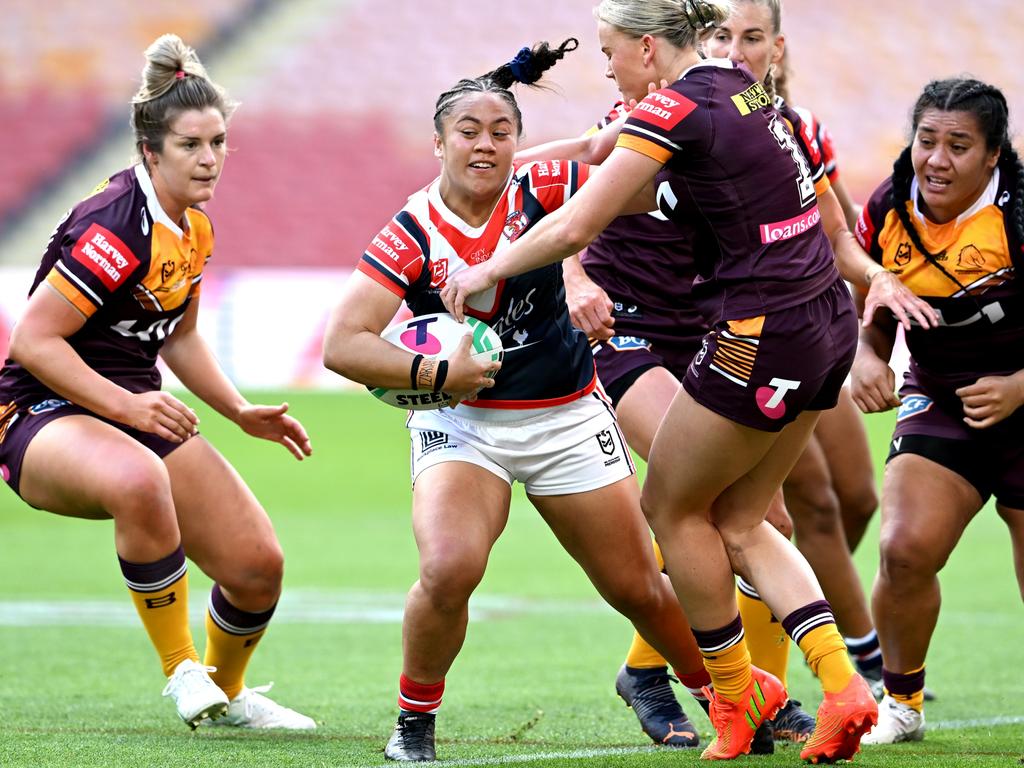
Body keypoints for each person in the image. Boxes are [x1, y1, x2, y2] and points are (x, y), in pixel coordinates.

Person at [441, 1, 888, 760]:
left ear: (648, 48)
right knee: (746, 520)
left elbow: (576, 224)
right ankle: (842, 686)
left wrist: (487, 267)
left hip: (757, 329)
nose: (605, 65)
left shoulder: (679, 108)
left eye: (611, 51)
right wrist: (505, 163)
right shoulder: (740, 89)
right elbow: (593, 148)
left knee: (674, 508)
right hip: (818, 326)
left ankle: (731, 698)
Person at [322, 39, 711, 763]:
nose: (485, 144)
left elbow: (617, 156)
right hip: (461, 426)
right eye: (467, 131)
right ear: (436, 142)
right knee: (449, 568)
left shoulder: (547, 190)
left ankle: (727, 698)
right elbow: (342, 343)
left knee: (638, 587)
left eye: (501, 132)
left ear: (518, 145)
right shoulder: (413, 232)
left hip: (565, 415)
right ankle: (413, 726)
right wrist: (439, 379)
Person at [0, 34, 315, 731]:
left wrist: (237, 411)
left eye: (219, 142)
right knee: (140, 479)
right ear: (150, 150)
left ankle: (226, 695)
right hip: (39, 410)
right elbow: (33, 340)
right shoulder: (114, 226)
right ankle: (181, 671)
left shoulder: (193, 226)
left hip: (129, 410)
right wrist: (129, 405)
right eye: (191, 146)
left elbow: (180, 335)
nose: (210, 159)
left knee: (258, 565)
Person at [851, 77, 1024, 744]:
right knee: (903, 548)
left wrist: (1018, 386)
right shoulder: (889, 204)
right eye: (927, 141)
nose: (937, 160)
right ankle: (901, 703)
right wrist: (866, 356)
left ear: (993, 155)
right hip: (941, 395)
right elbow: (865, 299)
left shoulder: (1018, 210)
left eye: (958, 145)